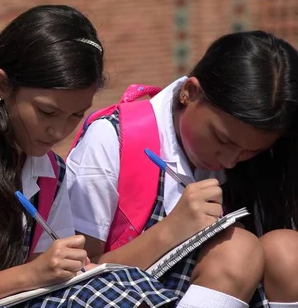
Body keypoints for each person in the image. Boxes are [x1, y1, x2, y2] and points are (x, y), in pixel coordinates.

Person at [0, 4, 180, 307]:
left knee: (124, 284)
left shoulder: (51, 173)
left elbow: (43, 286)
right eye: (47, 112)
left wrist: (65, 271)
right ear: (0, 84)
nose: (59, 130)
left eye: (75, 116)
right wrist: (32, 274)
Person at [67, 30, 298, 308]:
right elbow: (75, 278)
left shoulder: (263, 162)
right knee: (236, 249)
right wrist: (172, 230)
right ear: (190, 93)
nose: (229, 161)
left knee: (288, 251)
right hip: (123, 296)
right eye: (222, 139)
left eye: (251, 152)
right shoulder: (113, 138)